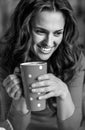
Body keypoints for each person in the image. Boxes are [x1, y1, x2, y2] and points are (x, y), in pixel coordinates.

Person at [0, 0, 85, 130]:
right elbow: (11, 127)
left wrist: (63, 93)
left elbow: (72, 128)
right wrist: (20, 97)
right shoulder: (5, 58)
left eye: (57, 33)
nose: (49, 42)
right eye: (40, 31)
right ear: (25, 28)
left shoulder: (74, 59)